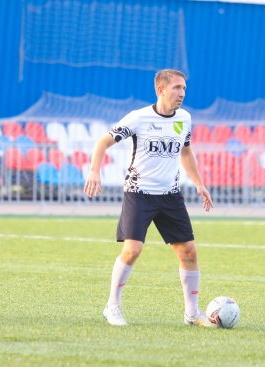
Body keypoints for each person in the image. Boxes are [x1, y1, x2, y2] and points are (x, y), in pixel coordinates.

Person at [83, 69, 217, 328]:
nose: (182, 93)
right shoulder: (139, 117)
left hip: (170, 196)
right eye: (177, 87)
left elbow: (185, 152)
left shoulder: (185, 118)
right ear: (160, 90)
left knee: (189, 252)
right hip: (139, 193)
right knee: (132, 250)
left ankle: (192, 314)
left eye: (184, 88)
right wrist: (94, 171)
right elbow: (103, 142)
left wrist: (199, 184)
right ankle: (112, 306)